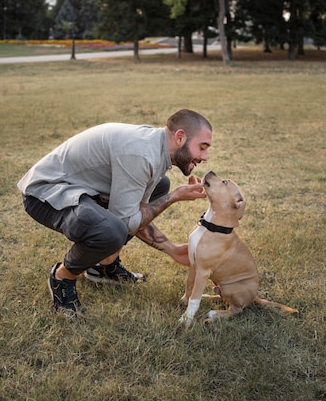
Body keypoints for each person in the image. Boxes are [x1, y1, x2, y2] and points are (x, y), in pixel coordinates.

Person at [18, 109, 212, 316]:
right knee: (112, 230)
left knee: (159, 187)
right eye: (202, 148)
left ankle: (103, 267)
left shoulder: (156, 146)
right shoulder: (140, 154)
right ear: (180, 137)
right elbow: (128, 221)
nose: (205, 157)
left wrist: (172, 249)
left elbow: (137, 212)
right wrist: (174, 197)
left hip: (84, 189)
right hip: (46, 192)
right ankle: (62, 277)